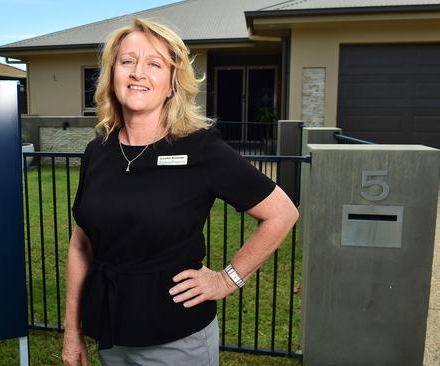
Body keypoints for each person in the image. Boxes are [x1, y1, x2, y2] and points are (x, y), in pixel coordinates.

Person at [62, 18, 299, 366]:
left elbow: (283, 212)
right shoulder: (98, 152)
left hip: (177, 339)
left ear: (172, 84)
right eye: (127, 61)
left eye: (154, 64)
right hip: (110, 333)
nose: (138, 73)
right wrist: (72, 330)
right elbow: (81, 243)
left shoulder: (202, 150)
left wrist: (227, 279)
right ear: (113, 74)